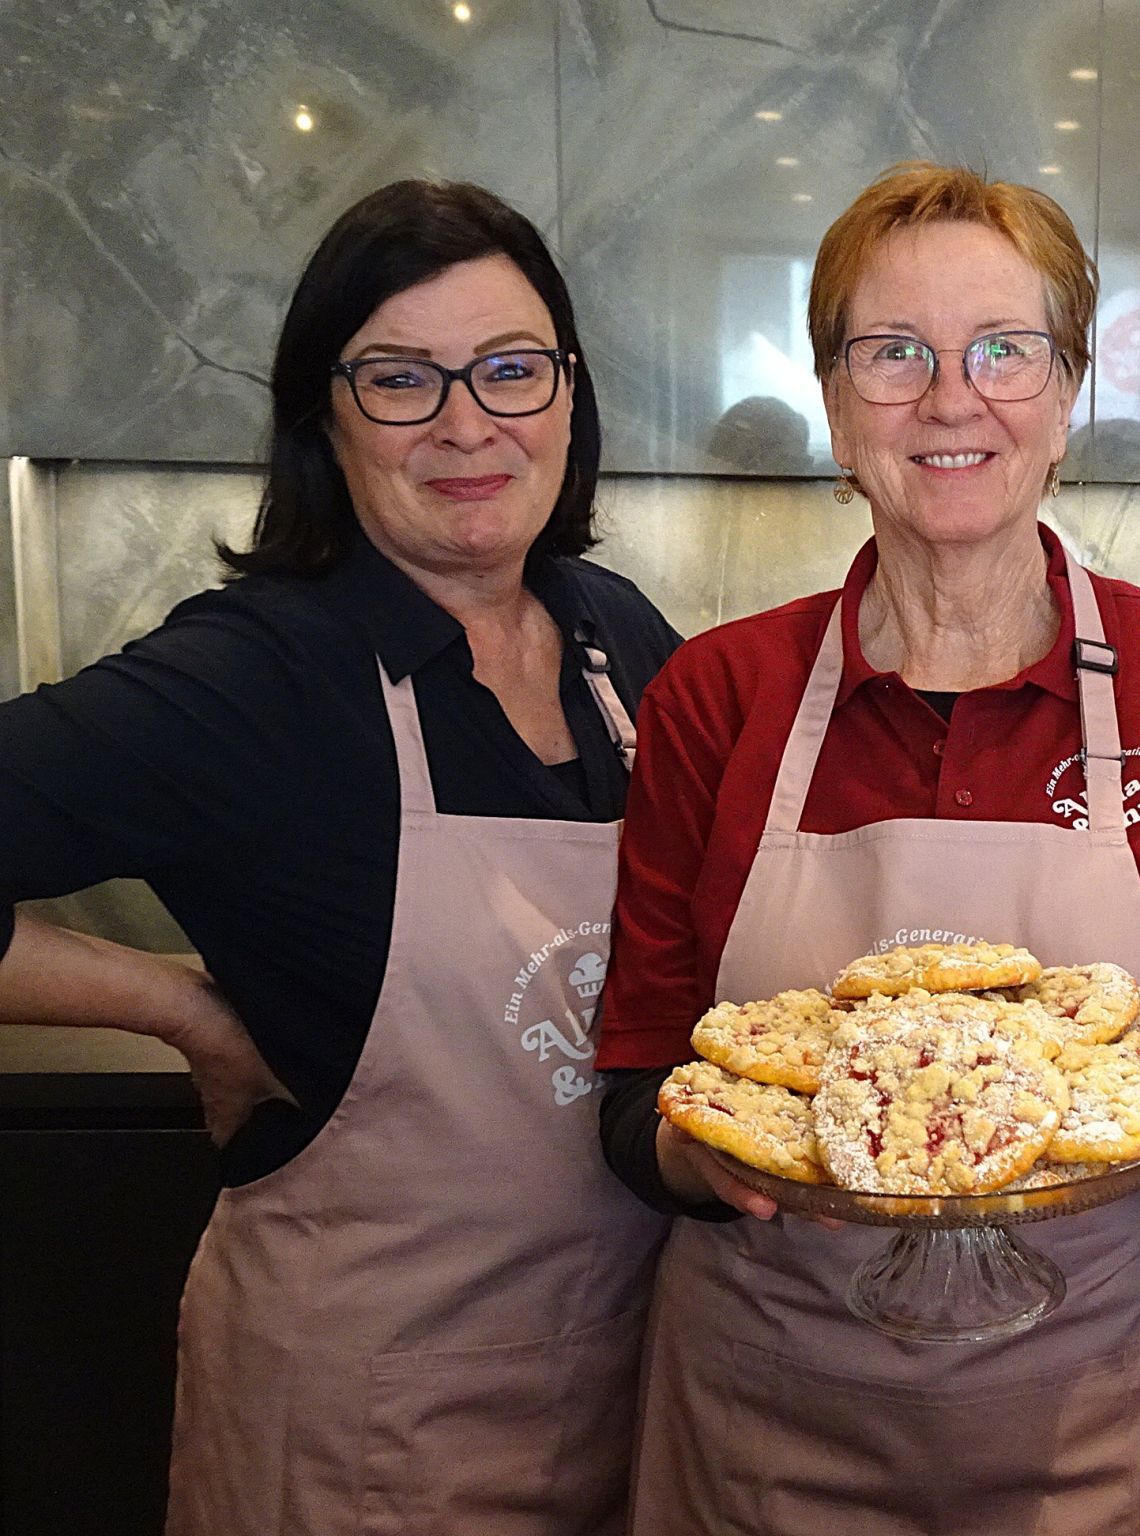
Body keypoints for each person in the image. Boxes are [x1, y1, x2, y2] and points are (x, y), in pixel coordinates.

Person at [596, 161, 1140, 1535]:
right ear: (835, 400)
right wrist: (720, 1155)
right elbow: (633, 1097)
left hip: (1104, 1424)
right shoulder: (719, 697)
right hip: (774, 1425)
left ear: (1068, 392)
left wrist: (1105, 1148)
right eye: (894, 352)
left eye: (1005, 351)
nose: (950, 398)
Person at [0, 179, 679, 1531]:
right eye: (400, 380)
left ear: (570, 394)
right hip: (367, 1437)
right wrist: (175, 1002)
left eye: (509, 370)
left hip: (635, 1393)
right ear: (325, 414)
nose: (468, 423)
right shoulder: (258, 676)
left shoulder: (618, 642)